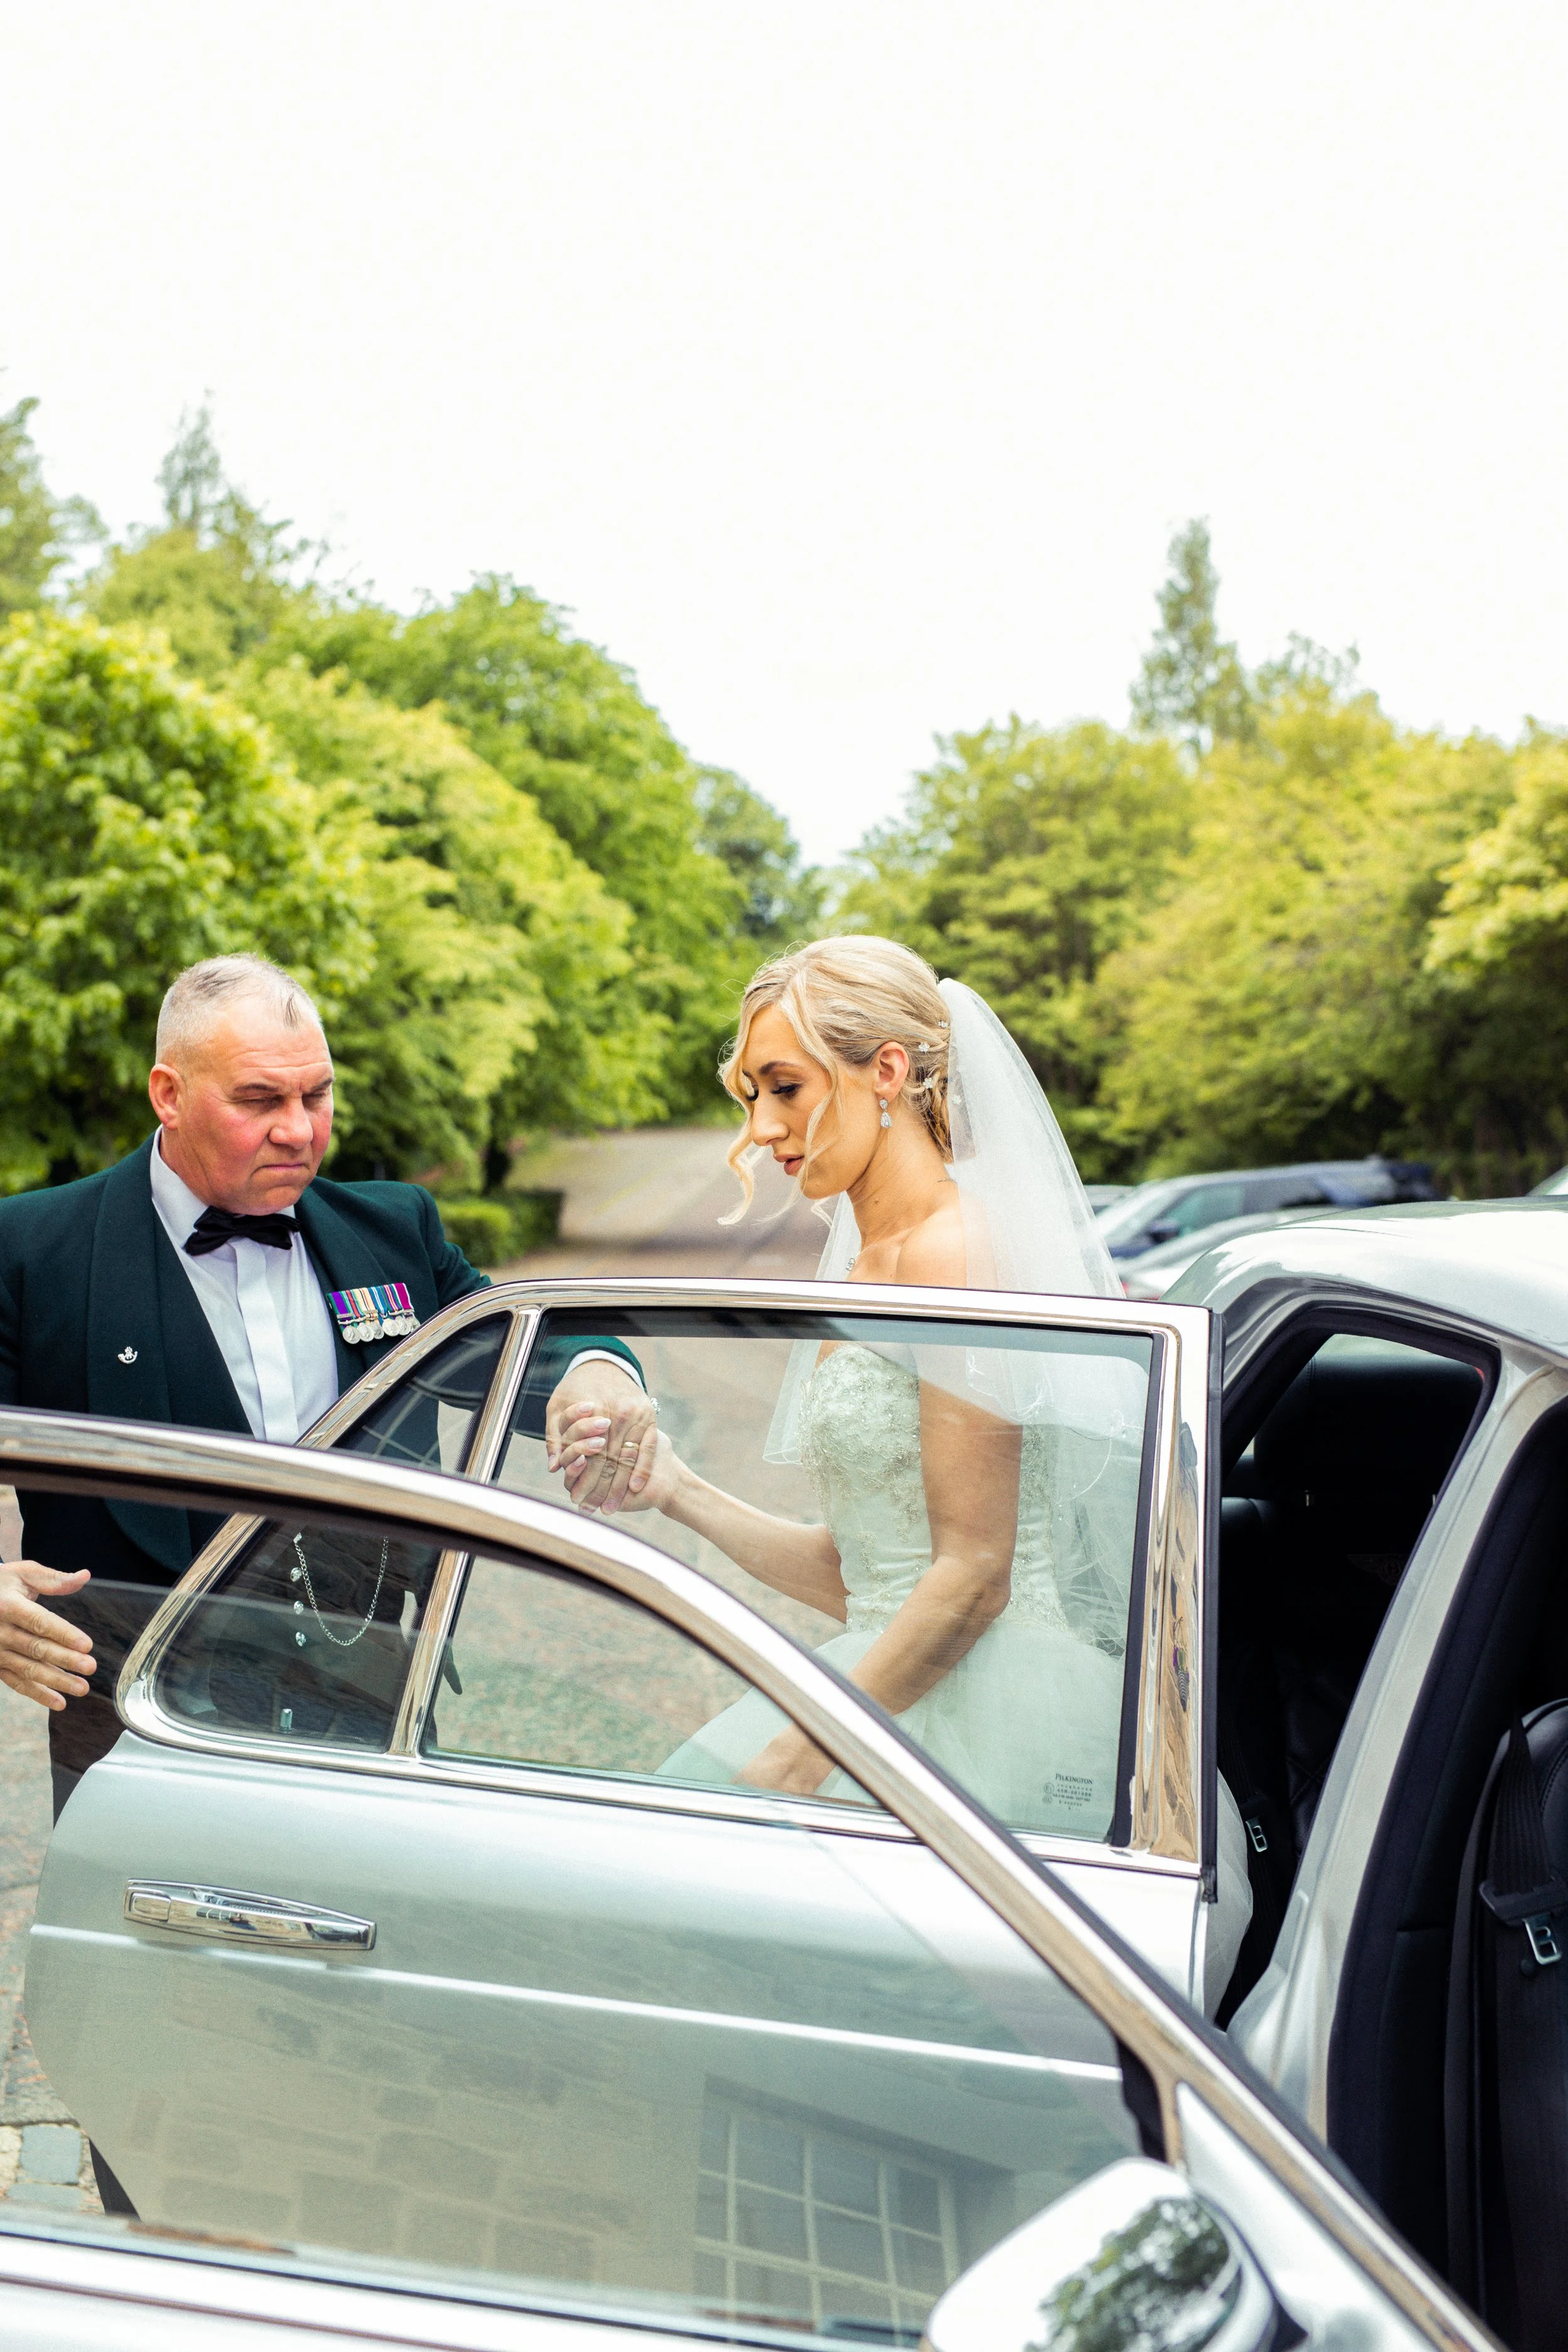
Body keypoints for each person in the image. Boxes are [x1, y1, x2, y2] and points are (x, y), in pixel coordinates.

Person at [553, 935, 1253, 2012]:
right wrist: (677, 1489)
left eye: (784, 1088)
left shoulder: (951, 1249)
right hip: (903, 1674)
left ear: (887, 1071)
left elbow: (974, 1575)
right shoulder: (868, 1263)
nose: (762, 1132)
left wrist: (799, 1757)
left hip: (997, 1719)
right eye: (752, 1095)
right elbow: (867, 1575)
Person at [0, 954, 654, 1805]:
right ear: (168, 1093)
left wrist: (599, 1374)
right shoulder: (31, 1252)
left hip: (370, 1710)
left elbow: (524, 1333)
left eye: (317, 1094)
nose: (301, 1129)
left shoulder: (392, 1230)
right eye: (260, 1099)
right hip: (140, 1732)